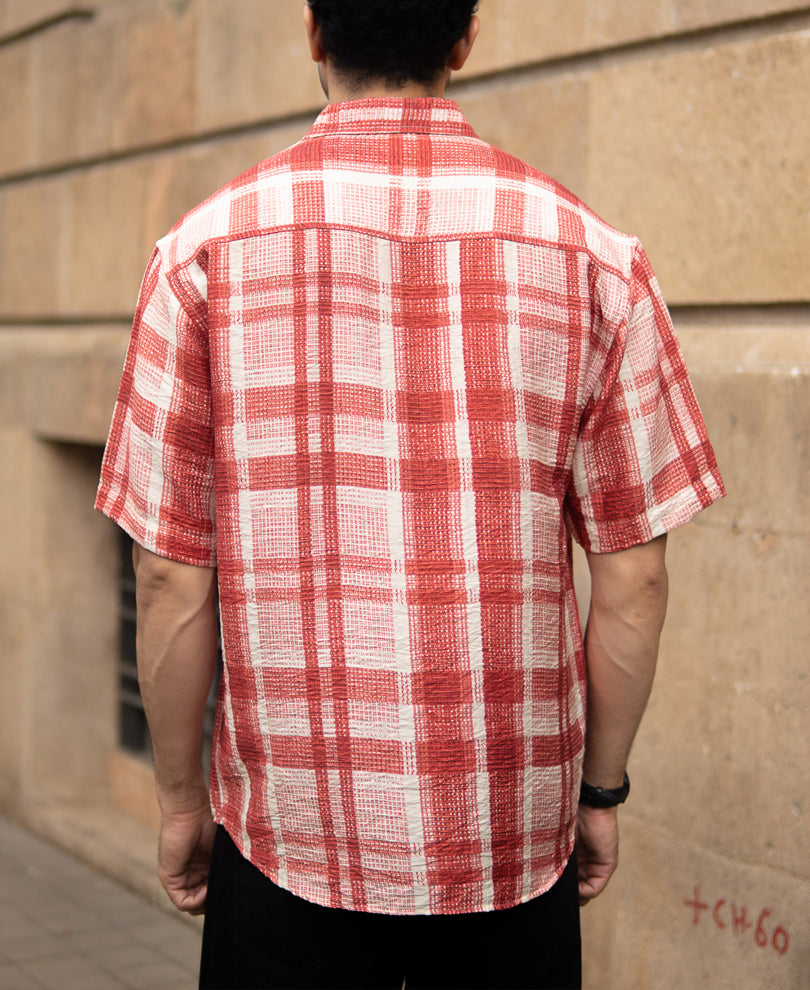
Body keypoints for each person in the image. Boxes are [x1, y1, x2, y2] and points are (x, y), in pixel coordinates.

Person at [96, 1, 725, 987]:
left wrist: (184, 804)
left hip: (288, 837)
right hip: (512, 840)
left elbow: (171, 572)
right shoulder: (594, 257)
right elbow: (634, 574)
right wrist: (600, 790)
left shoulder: (201, 256)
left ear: (314, 31)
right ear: (465, 37)